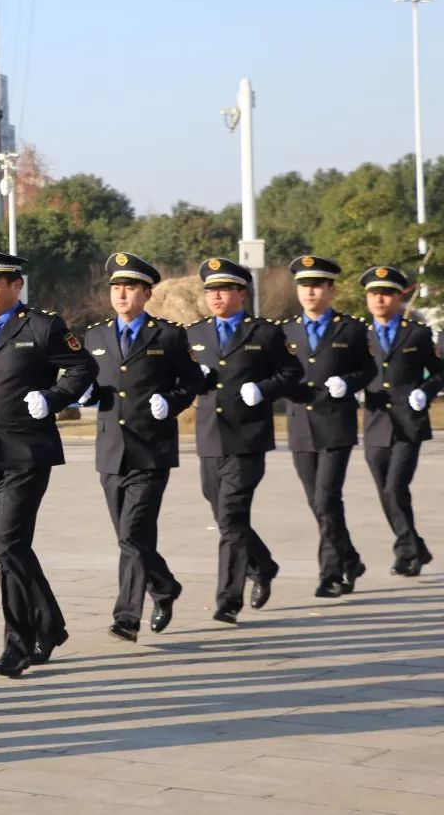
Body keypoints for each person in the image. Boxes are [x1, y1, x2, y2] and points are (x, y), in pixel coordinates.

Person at [0, 246, 97, 678]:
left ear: (16, 285)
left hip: (28, 454)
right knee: (8, 550)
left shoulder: (44, 327)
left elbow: (81, 369)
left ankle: (19, 643)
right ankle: (50, 625)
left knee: (7, 547)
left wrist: (52, 397)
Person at [80, 253, 202, 643]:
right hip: (110, 451)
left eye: (130, 287)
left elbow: (192, 382)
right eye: (116, 287)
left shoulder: (167, 335)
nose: (121, 294)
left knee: (133, 534)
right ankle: (164, 587)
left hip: (151, 452)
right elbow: (85, 381)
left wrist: (172, 400)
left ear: (146, 292)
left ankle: (127, 616)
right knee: (130, 537)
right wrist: (83, 393)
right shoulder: (95, 336)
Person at [186, 257, 302, 625]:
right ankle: (263, 564)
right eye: (210, 291)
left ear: (241, 293)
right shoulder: (196, 334)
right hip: (209, 438)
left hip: (248, 438)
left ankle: (228, 599)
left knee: (233, 514)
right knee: (221, 513)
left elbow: (292, 372)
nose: (215, 297)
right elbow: (182, 377)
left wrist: (265, 389)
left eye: (223, 290)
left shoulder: (263, 333)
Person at [280, 255, 376, 598]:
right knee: (317, 501)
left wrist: (349, 383)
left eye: (317, 285)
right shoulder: (286, 330)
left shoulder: (350, 328)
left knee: (326, 497)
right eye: (304, 285)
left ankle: (331, 573)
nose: (310, 291)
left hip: (336, 423)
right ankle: (350, 557)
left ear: (331, 289)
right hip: (301, 424)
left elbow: (368, 370)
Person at [360, 265, 443, 576]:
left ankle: (406, 551)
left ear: (399, 297)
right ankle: (416, 548)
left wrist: (426, 390)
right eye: (374, 293)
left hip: (409, 423)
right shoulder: (359, 335)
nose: (380, 299)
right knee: (386, 491)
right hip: (375, 423)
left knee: (395, 487)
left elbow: (439, 371)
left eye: (387, 293)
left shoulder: (417, 334)